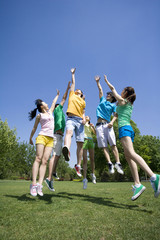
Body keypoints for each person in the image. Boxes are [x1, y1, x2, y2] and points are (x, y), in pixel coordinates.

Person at [104, 74, 160, 200]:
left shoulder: (123, 101)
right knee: (129, 156)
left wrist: (107, 82)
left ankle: (153, 177)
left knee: (131, 153)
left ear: (125, 93)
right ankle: (137, 184)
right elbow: (116, 114)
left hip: (125, 129)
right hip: (127, 129)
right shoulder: (125, 104)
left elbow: (113, 91)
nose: (121, 92)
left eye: (123, 90)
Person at [29, 90, 60, 197]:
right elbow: (34, 128)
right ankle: (33, 184)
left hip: (50, 139)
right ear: (41, 106)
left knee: (45, 161)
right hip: (41, 137)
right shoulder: (39, 116)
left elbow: (53, 103)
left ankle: (39, 185)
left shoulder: (50, 112)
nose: (47, 104)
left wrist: (57, 95)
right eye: (44, 103)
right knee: (38, 158)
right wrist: (30, 138)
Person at [95, 75, 124, 175]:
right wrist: (98, 82)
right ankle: (109, 163)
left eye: (109, 95)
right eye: (107, 94)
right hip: (99, 126)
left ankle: (118, 163)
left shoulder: (113, 105)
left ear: (112, 98)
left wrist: (112, 122)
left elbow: (116, 115)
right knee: (104, 146)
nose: (107, 95)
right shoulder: (102, 100)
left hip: (108, 125)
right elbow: (100, 90)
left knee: (113, 144)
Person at [45, 82, 71, 191]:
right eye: (59, 105)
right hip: (56, 136)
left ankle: (54, 172)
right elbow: (64, 99)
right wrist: (67, 89)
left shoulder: (58, 115)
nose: (61, 105)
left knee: (58, 156)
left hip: (59, 136)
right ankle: (49, 178)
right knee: (55, 156)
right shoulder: (57, 110)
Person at [62, 68, 86, 177]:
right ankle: (66, 148)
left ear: (81, 94)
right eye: (76, 90)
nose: (77, 91)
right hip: (71, 118)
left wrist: (84, 119)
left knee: (80, 144)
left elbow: (83, 112)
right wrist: (72, 74)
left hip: (80, 122)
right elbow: (73, 83)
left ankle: (78, 165)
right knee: (68, 133)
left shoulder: (83, 102)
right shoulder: (72, 95)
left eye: (79, 91)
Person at [82, 116, 96, 189]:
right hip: (84, 140)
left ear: (89, 119)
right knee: (84, 160)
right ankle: (84, 179)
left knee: (92, 159)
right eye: (86, 116)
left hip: (91, 141)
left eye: (88, 117)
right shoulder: (83, 124)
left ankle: (93, 175)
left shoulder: (90, 126)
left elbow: (95, 134)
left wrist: (93, 127)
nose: (86, 117)